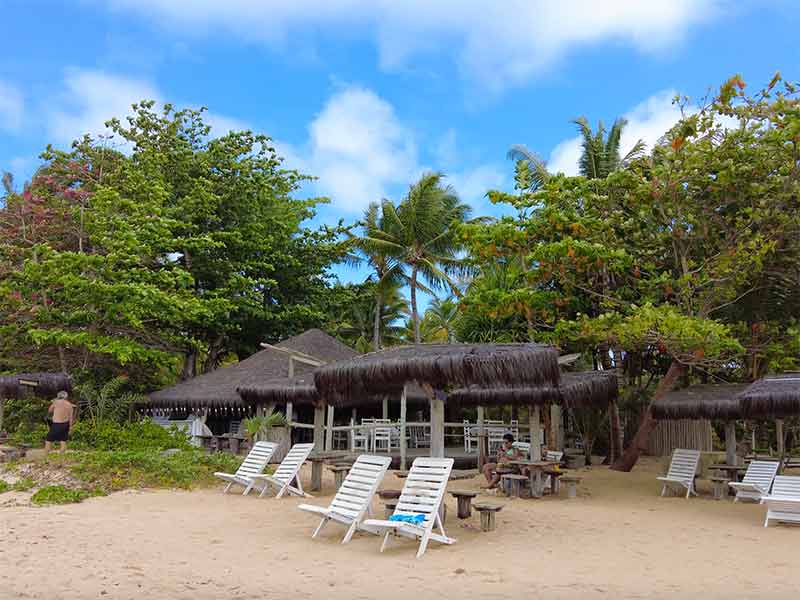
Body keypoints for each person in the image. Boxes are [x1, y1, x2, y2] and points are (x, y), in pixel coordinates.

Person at [45, 391, 75, 456]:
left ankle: (46, 456)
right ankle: (61, 457)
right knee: (63, 441)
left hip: (56, 424)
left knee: (48, 440)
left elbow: (49, 411)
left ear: (58, 396)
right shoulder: (69, 405)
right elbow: (71, 418)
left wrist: (53, 403)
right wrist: (70, 427)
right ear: (66, 397)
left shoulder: (56, 402)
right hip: (65, 424)